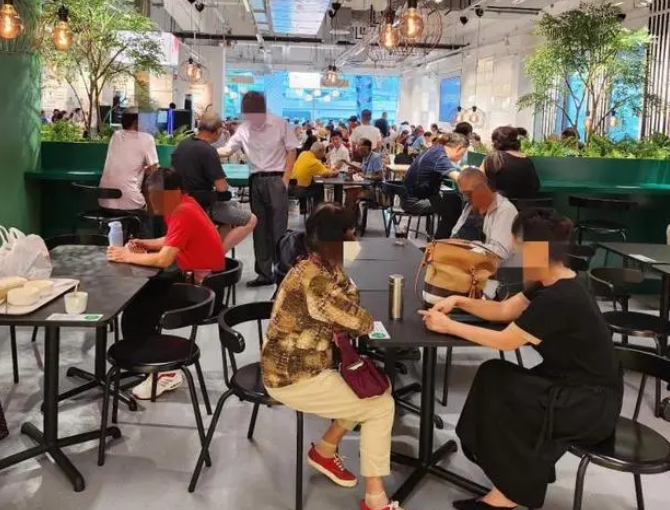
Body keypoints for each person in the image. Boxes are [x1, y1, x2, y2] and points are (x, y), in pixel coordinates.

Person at [419, 208, 622, 510]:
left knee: (509, 394)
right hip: (569, 385)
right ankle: (510, 479)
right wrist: (459, 301)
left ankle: (510, 494)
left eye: (520, 252)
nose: (518, 260)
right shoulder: (551, 281)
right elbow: (504, 311)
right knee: (493, 375)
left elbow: (506, 340)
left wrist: (449, 326)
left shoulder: (560, 298)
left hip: (588, 403)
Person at [263, 202, 404, 510]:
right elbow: (360, 321)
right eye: (350, 235)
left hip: (307, 363)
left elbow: (350, 296)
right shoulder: (317, 280)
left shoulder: (315, 263)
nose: (355, 240)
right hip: (292, 376)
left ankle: (325, 451)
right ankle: (375, 500)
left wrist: (348, 299)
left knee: (374, 390)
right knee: (381, 406)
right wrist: (349, 302)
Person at [107, 167, 225, 399]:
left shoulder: (183, 211)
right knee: (139, 300)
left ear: (177, 191)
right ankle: (147, 363)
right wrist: (145, 243)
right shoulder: (183, 204)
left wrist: (125, 255)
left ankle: (164, 372)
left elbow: (164, 259)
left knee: (138, 309)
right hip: (198, 280)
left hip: (201, 291)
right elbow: (171, 240)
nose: (156, 204)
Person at [218, 91, 300, 287]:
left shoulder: (280, 124)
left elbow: (292, 151)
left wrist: (285, 180)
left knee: (278, 228)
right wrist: (205, 149)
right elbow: (228, 149)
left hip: (276, 179)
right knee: (259, 229)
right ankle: (264, 274)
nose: (251, 119)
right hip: (255, 180)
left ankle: (282, 273)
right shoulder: (244, 128)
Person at [171, 112, 257, 253]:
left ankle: (210, 251)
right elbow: (222, 187)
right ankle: (215, 256)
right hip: (203, 206)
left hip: (181, 203)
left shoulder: (182, 146)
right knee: (250, 220)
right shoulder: (208, 151)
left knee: (227, 219)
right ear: (218, 131)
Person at [99, 111, 160, 236]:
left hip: (104, 200)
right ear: (136, 123)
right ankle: (145, 243)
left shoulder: (115, 136)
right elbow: (154, 169)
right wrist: (145, 169)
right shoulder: (146, 138)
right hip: (130, 203)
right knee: (152, 208)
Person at [402, 133, 469, 239]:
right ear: (459, 148)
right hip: (414, 202)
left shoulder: (436, 149)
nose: (462, 156)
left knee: (454, 199)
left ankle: (440, 241)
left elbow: (450, 169)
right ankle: (439, 243)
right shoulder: (439, 157)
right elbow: (460, 179)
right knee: (454, 208)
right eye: (463, 153)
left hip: (413, 196)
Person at [451, 166, 518, 260]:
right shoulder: (470, 206)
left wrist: (469, 246)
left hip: (489, 265)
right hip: (465, 259)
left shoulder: (505, 210)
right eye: (463, 194)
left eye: (469, 193)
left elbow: (501, 253)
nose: (466, 198)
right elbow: (454, 235)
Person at [482, 126, 540, 200]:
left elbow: (478, 178)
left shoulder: (494, 157)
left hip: (502, 204)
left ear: (496, 142)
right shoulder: (527, 159)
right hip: (529, 204)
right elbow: (536, 185)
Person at [343, 138, 383, 214]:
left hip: (373, 190)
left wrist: (365, 176)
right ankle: (351, 216)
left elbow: (380, 176)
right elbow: (362, 170)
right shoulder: (365, 157)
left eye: (359, 146)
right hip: (364, 186)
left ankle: (350, 216)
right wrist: (348, 164)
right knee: (348, 190)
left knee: (352, 193)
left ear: (367, 147)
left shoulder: (375, 157)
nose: (357, 148)